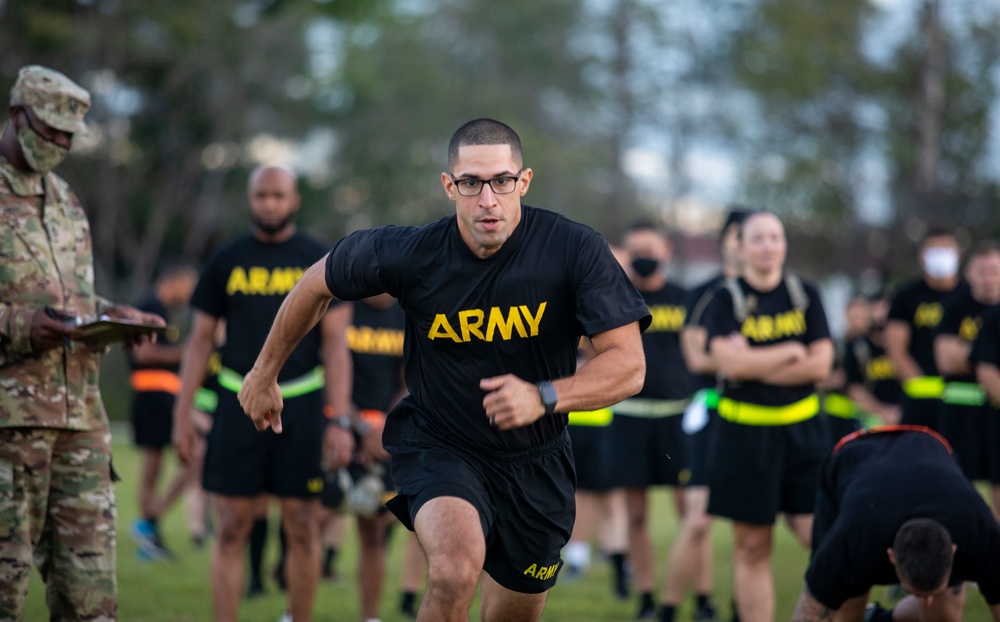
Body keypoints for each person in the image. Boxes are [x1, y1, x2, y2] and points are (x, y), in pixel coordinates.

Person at [237, 118, 650, 622]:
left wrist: (543, 395)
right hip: (441, 443)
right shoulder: (412, 253)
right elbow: (315, 283)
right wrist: (263, 374)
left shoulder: (574, 249)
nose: (488, 199)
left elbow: (629, 365)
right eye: (471, 183)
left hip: (537, 459)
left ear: (523, 182)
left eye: (501, 181)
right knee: (454, 571)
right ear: (449, 186)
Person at [0, 65, 165, 620]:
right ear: (18, 115)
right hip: (10, 432)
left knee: (91, 596)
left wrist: (112, 316)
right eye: (51, 133)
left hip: (82, 426)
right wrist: (23, 327)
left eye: (70, 138)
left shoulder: (67, 201)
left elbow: (75, 300)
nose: (62, 146)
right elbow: (32, 314)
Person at [172, 165, 354, 622]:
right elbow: (198, 341)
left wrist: (339, 418)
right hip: (237, 402)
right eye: (261, 196)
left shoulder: (318, 258)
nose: (269, 203)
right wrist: (182, 412)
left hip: (305, 404)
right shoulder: (225, 260)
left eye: (278, 195)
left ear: (294, 200)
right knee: (231, 525)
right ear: (250, 200)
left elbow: (336, 347)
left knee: (303, 527)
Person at [702, 210, 833, 622]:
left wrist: (755, 360)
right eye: (757, 239)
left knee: (825, 539)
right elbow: (730, 366)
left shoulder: (805, 293)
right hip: (745, 438)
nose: (768, 246)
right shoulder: (724, 298)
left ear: (785, 243)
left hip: (804, 436)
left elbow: (820, 367)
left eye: (775, 237)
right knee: (753, 547)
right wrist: (790, 351)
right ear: (740, 247)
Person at [789, 426, 1000, 622]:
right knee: (848, 610)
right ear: (891, 556)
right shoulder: (852, 539)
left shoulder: (981, 532)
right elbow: (810, 612)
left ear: (953, 550)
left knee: (945, 616)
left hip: (927, 446)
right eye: (915, 594)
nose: (925, 603)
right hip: (853, 457)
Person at [659, 208, 747, 622]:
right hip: (709, 417)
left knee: (753, 527)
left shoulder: (783, 294)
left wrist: (748, 360)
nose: (748, 243)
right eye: (739, 234)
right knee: (697, 521)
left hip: (761, 419)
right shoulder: (704, 293)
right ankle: (668, 608)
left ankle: (741, 607)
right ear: (727, 239)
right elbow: (695, 357)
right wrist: (753, 360)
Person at [607, 221, 691, 620]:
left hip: (678, 418)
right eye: (636, 248)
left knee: (692, 517)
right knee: (636, 515)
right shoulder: (613, 297)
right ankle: (644, 594)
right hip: (630, 417)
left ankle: (702, 596)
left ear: (666, 251)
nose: (644, 255)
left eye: (650, 247)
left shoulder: (685, 298)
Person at [129, 261, 199, 560]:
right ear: (176, 279)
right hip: (152, 392)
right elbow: (143, 353)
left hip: (158, 393)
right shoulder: (151, 306)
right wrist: (187, 353)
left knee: (155, 464)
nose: (190, 294)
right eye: (189, 286)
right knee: (193, 456)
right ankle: (150, 522)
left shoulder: (162, 309)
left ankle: (150, 528)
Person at [933, 242, 1000, 484]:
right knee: (958, 482)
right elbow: (946, 360)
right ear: (969, 274)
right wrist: (988, 356)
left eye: (994, 271)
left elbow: (961, 356)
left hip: (995, 411)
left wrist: (971, 352)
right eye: (981, 271)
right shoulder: (953, 308)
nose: (988, 279)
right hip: (961, 414)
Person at [884, 229, 963, 431]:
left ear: (958, 253)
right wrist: (921, 387)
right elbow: (895, 349)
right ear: (922, 256)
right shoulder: (906, 296)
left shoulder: (969, 295)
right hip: (920, 402)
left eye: (945, 248)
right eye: (934, 249)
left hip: (964, 402)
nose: (940, 254)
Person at [842, 294, 902, 428]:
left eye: (885, 309)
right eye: (876, 309)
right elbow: (854, 388)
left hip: (905, 419)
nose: (880, 315)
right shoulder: (857, 347)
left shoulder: (904, 346)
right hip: (872, 424)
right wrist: (883, 411)